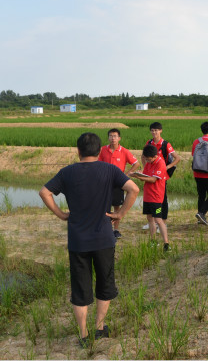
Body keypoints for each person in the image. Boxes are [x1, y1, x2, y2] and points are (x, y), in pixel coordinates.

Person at [39, 132, 139, 347]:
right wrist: (120, 214)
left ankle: (83, 335)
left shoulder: (67, 172)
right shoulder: (110, 169)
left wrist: (61, 214)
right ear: (98, 150)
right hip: (104, 238)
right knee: (105, 283)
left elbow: (44, 192)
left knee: (80, 288)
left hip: (78, 241)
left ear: (78, 151)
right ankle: (100, 328)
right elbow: (134, 189)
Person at [98, 128, 140, 238]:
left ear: (119, 138)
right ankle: (104, 229)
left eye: (115, 136)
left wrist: (126, 174)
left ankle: (116, 230)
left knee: (117, 207)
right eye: (111, 136)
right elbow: (98, 164)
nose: (113, 138)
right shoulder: (103, 150)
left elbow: (136, 163)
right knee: (103, 206)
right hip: (104, 182)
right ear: (108, 138)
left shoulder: (124, 151)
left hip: (118, 183)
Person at [142, 122, 180, 228]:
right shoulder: (149, 142)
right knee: (150, 196)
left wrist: (166, 168)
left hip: (161, 176)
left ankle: (163, 222)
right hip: (150, 175)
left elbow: (177, 158)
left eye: (156, 130)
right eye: (152, 130)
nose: (154, 132)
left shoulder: (165, 144)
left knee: (162, 198)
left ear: (161, 131)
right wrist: (146, 169)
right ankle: (152, 222)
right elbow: (143, 156)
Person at [134, 145, 170, 251]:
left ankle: (166, 244)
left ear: (154, 156)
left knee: (158, 220)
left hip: (156, 197)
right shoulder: (149, 163)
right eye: (145, 158)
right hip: (147, 196)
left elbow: (153, 179)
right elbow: (145, 177)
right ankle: (153, 241)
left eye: (148, 158)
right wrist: (137, 174)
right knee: (149, 219)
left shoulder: (160, 163)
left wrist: (138, 176)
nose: (146, 160)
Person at [192, 121, 208, 225]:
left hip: (197, 173)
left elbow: (193, 155)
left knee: (201, 195)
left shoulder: (196, 142)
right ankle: (201, 213)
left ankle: (200, 218)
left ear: (202, 130)